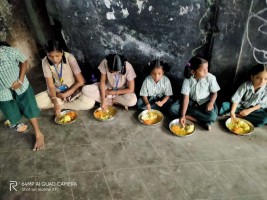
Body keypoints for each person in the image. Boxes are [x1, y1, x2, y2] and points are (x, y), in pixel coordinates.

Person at [0, 41, 44, 151]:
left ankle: (38, 134)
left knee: (29, 107)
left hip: (20, 85)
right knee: (11, 112)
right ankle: (17, 123)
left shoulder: (7, 51)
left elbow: (23, 60)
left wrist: (20, 80)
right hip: (2, 92)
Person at [35, 40, 95, 116]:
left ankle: (63, 105)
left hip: (74, 90)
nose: (54, 59)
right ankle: (60, 104)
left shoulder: (69, 57)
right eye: (51, 56)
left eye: (57, 56)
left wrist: (67, 93)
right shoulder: (45, 61)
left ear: (62, 52)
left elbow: (81, 81)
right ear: (47, 54)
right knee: (35, 101)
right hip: (58, 92)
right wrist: (55, 101)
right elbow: (50, 85)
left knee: (89, 102)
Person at [169, 56, 220, 130]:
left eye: (207, 68)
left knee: (212, 116)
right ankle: (198, 121)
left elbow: (214, 93)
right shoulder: (188, 80)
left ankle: (189, 116)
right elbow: (185, 98)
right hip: (190, 102)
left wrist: (211, 102)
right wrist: (183, 115)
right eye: (202, 70)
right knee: (172, 109)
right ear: (193, 71)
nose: (206, 72)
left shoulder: (211, 78)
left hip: (205, 103)